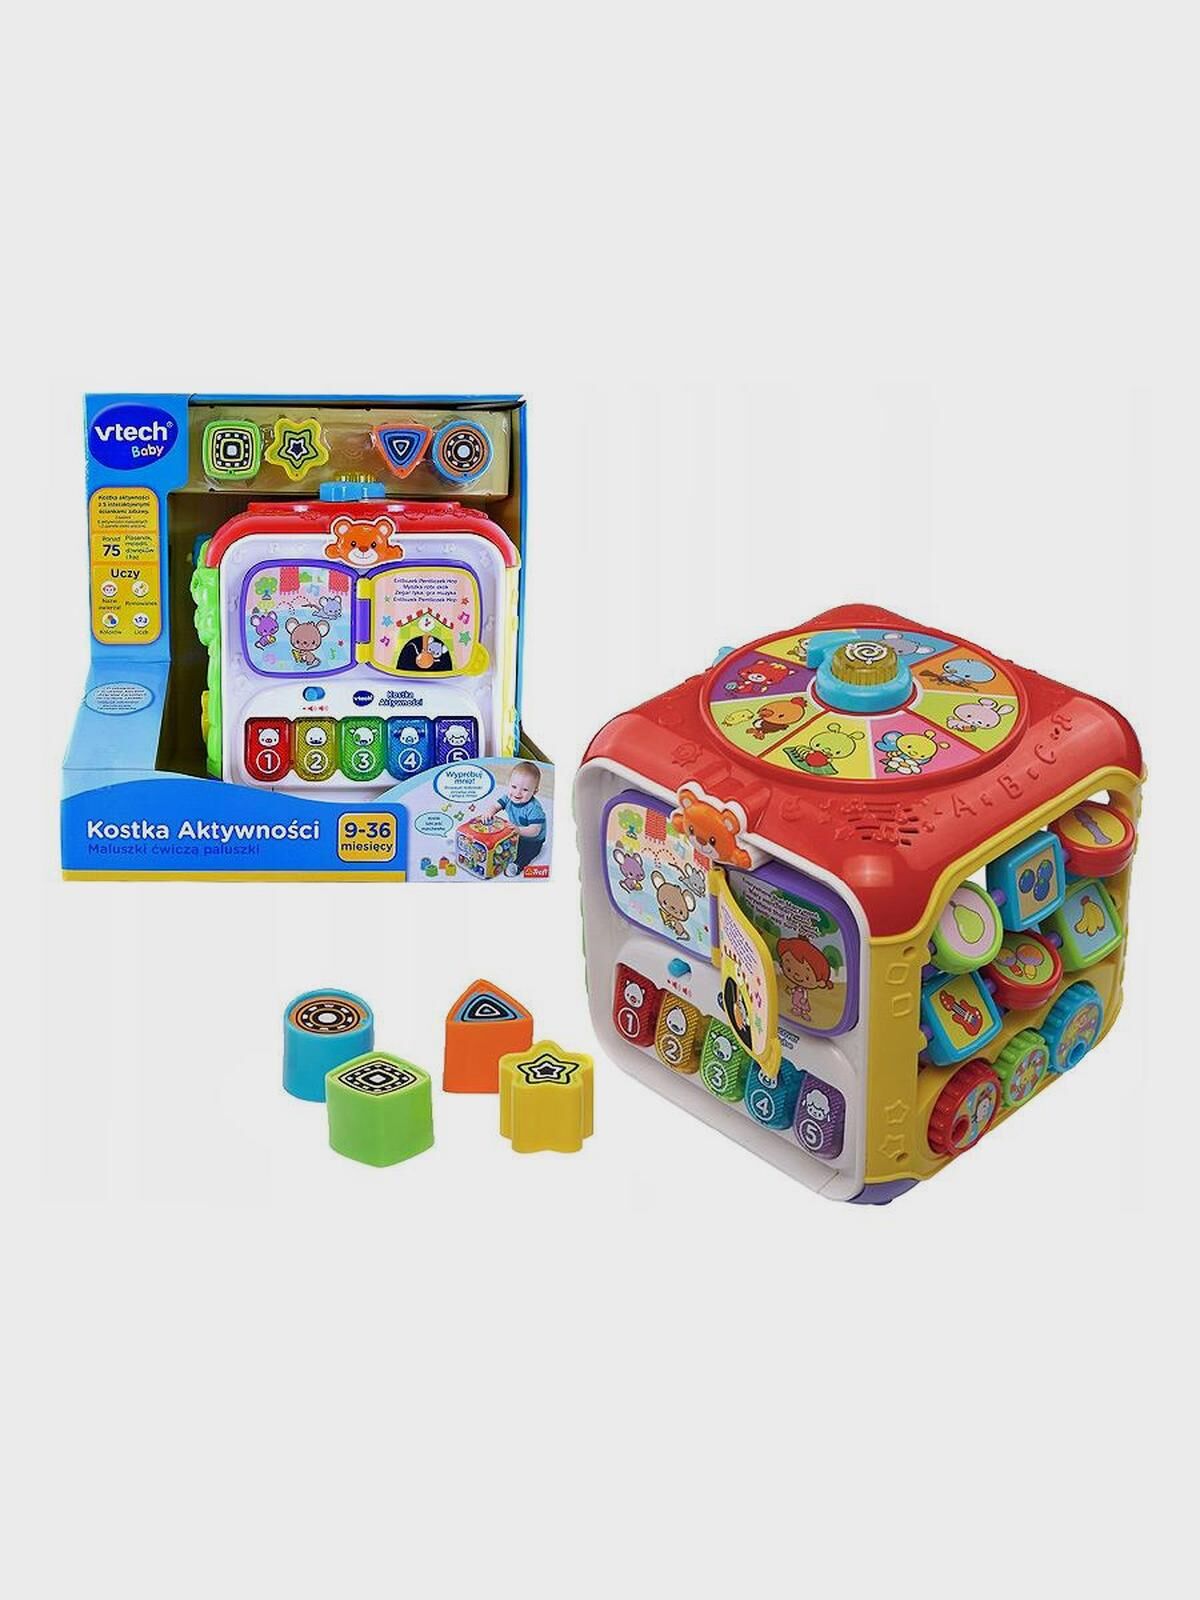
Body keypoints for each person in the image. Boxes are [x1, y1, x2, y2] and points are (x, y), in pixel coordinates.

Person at [476, 763, 547, 875]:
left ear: (534, 792)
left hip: (533, 840)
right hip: (515, 832)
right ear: (508, 784)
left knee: (526, 853)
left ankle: (517, 866)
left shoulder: (534, 808)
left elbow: (535, 830)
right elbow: (495, 806)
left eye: (525, 790)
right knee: (502, 845)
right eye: (514, 787)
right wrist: (489, 812)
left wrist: (519, 830)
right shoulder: (508, 797)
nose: (517, 793)